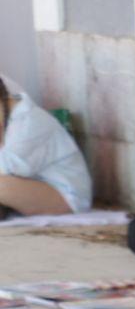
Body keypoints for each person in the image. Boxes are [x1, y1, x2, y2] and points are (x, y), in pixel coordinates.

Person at [0, 76, 90, 217]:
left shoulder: (30, 120)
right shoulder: (8, 117)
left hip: (66, 198)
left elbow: (7, 169)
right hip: (31, 188)